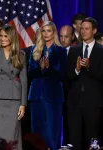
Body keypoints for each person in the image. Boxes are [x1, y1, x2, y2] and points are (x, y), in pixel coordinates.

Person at [28, 21, 67, 150]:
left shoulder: (61, 51)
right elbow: (30, 73)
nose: (45, 34)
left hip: (53, 96)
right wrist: (41, 68)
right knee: (37, 131)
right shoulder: (35, 50)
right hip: (36, 95)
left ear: (54, 33)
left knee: (52, 131)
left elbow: (62, 75)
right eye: (43, 31)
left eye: (49, 31)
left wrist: (48, 68)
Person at [66, 17, 103, 150]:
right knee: (74, 139)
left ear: (94, 30)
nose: (83, 31)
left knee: (93, 138)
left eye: (87, 29)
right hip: (75, 102)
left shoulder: (101, 50)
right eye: (82, 28)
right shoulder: (74, 50)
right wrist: (76, 69)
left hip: (93, 102)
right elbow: (68, 76)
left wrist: (89, 67)